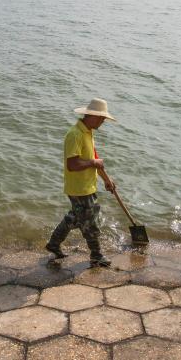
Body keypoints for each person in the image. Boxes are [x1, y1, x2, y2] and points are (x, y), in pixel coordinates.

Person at [46, 98, 117, 268]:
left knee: (77, 218)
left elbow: (94, 160)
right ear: (91, 116)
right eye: (101, 118)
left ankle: (54, 244)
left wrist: (107, 180)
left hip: (88, 186)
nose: (103, 122)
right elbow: (73, 164)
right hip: (79, 188)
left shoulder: (88, 133)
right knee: (90, 223)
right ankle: (96, 256)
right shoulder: (75, 134)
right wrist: (94, 163)